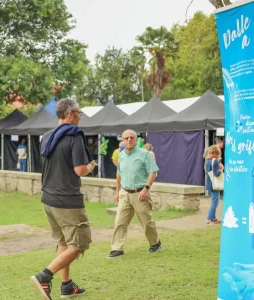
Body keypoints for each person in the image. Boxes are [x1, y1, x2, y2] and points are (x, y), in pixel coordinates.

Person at [30, 98, 96, 300]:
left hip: (48, 199)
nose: (80, 116)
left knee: (64, 243)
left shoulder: (47, 137)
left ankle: (66, 285)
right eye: (79, 113)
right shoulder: (75, 135)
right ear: (70, 114)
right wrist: (90, 167)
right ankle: (44, 276)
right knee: (79, 244)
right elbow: (79, 169)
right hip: (68, 201)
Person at [108, 130, 161, 258]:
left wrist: (145, 189)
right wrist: (117, 190)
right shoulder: (121, 155)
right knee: (119, 222)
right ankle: (117, 249)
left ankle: (155, 243)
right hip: (125, 194)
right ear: (123, 140)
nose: (129, 140)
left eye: (132, 137)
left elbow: (153, 172)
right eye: (127, 138)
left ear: (136, 140)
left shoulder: (144, 154)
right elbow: (119, 174)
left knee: (147, 222)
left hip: (140, 193)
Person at [205, 145, 224, 225]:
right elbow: (216, 174)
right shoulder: (215, 161)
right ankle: (209, 219)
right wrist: (221, 170)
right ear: (217, 153)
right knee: (215, 202)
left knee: (213, 201)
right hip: (214, 185)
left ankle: (213, 218)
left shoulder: (208, 161)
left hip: (209, 184)